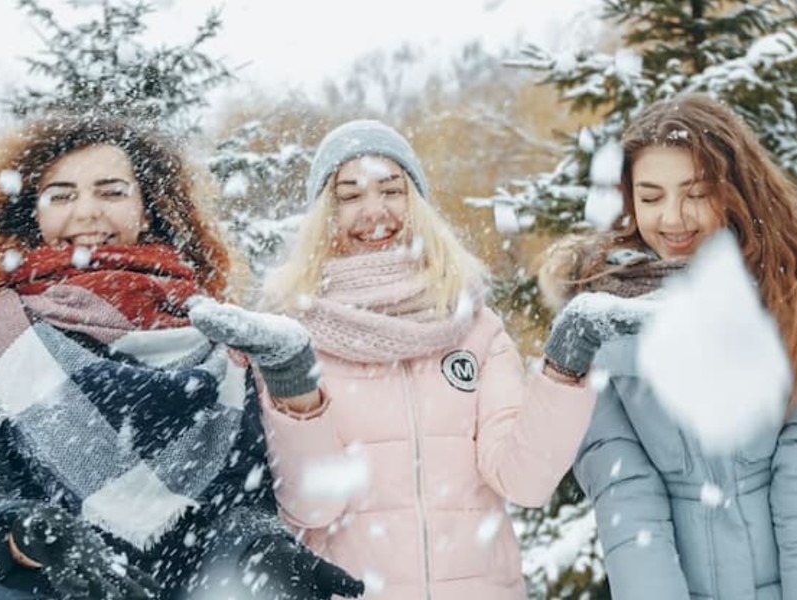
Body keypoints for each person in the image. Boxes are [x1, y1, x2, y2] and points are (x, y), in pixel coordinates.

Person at [0, 112, 363, 600]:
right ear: (31, 214)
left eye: (111, 192)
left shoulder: (216, 340)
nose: (86, 213)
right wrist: (22, 537)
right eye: (61, 195)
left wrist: (256, 550)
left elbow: (237, 504)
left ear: (148, 211)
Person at [220, 119, 632, 599]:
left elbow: (524, 481)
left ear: (416, 202)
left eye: (391, 190)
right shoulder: (294, 339)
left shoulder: (474, 327)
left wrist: (563, 371)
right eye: (349, 196)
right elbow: (313, 506)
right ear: (324, 216)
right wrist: (294, 386)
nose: (374, 211)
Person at [544, 93, 797, 599]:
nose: (673, 218)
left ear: (736, 187)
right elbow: (624, 489)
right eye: (650, 198)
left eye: (696, 193)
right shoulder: (597, 310)